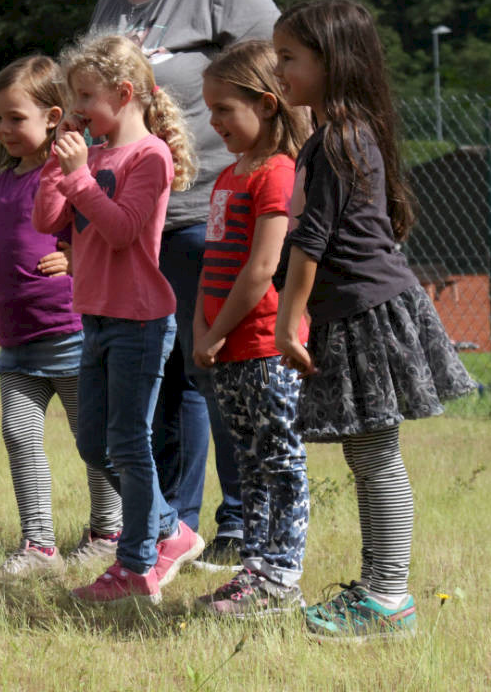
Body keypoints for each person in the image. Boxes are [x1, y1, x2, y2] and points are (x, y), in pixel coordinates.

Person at [86, 0, 281, 569]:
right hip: (138, 228)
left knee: (217, 370)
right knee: (160, 380)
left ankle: (245, 523)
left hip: (210, 213)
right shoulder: (113, 1)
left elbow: (278, 86)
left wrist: (272, 184)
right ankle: (171, 524)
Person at [271, 0, 475, 640]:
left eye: (289, 58)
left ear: (333, 61)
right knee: (368, 455)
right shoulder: (333, 136)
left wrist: (287, 322)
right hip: (352, 312)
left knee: (375, 456)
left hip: (366, 314)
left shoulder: (340, 137)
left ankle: (387, 598)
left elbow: (312, 241)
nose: (279, 70)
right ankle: (380, 590)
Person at [33, 33, 204, 605]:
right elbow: (46, 219)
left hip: (140, 319)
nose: (77, 107)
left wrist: (79, 175)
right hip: (97, 318)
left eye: (86, 96)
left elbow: (124, 230)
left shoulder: (149, 156)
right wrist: (58, 164)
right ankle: (170, 529)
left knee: (130, 443)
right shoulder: (93, 155)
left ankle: (135, 568)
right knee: (94, 444)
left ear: (124, 93)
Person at [0, 55, 124, 582]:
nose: (4, 128)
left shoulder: (68, 174)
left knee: (93, 441)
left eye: (15, 118)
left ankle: (109, 533)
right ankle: (39, 545)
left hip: (68, 334)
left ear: (52, 117)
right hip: (17, 342)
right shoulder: (3, 182)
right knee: (19, 435)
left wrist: (74, 257)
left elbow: (100, 230)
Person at [190, 40, 312, 616]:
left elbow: (262, 268)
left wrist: (217, 331)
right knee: (249, 463)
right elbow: (213, 262)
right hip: (228, 349)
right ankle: (255, 569)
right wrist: (202, 327)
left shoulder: (277, 175)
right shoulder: (227, 177)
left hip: (264, 348)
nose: (214, 122)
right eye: (209, 110)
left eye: (224, 109)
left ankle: (281, 576)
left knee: (279, 461)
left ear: (266, 104)